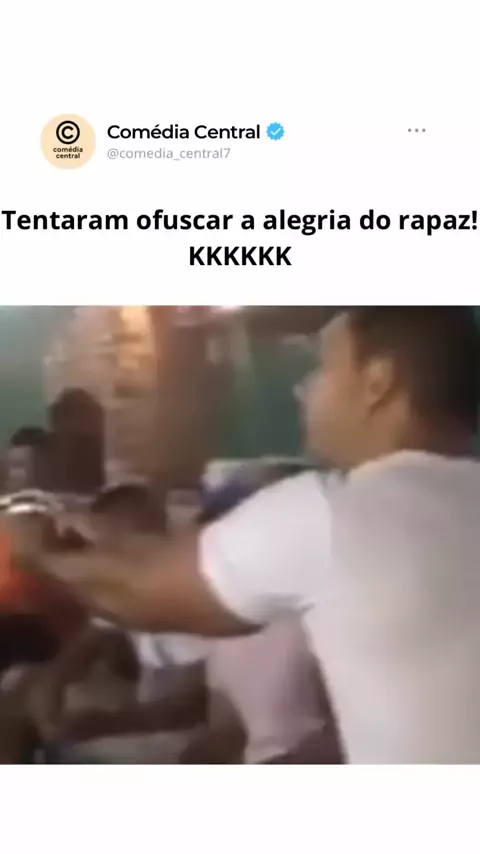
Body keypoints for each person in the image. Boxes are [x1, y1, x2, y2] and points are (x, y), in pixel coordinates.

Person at [8, 307, 480, 764]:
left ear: (378, 382)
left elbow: (135, 589)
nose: (303, 390)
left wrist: (40, 550)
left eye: (322, 368)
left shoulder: (331, 511)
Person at [29, 483, 208, 763]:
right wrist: (51, 684)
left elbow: (193, 707)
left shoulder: (191, 589)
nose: (100, 550)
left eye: (107, 540)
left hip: (188, 735)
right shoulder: (127, 578)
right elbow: (89, 640)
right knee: (26, 685)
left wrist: (107, 723)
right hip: (145, 713)